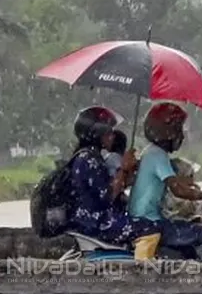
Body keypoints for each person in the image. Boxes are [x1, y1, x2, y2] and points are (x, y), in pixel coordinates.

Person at [127, 102, 202, 260]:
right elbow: (179, 191)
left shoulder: (152, 153)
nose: (181, 135)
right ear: (168, 131)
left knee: (190, 248)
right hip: (150, 225)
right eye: (178, 129)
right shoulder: (157, 155)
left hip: (145, 222)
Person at [65, 106, 161, 259]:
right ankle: (143, 273)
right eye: (108, 132)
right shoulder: (88, 159)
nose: (112, 137)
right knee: (151, 229)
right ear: (97, 134)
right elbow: (108, 196)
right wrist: (123, 168)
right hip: (97, 223)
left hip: (92, 219)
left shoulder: (90, 156)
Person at [162, 157, 202, 233]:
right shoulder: (174, 193)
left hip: (182, 222)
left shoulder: (183, 190)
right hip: (176, 225)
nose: (193, 179)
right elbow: (189, 207)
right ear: (180, 177)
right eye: (190, 176)